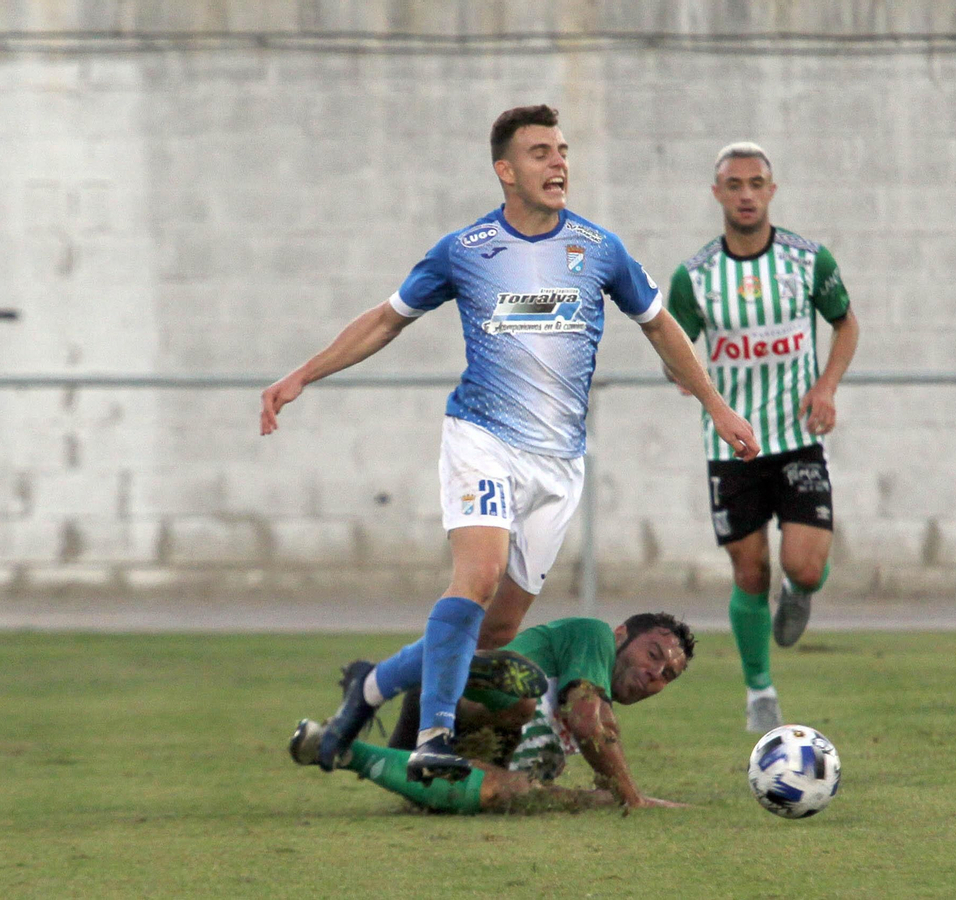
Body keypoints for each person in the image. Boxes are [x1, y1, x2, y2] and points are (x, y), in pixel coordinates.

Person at [260, 105, 757, 783]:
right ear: (506, 171)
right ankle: (433, 734)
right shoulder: (464, 252)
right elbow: (386, 320)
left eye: (562, 151)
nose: (558, 164)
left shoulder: (598, 248)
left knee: (492, 634)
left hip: (559, 465)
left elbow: (661, 327)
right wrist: (300, 375)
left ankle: (369, 689)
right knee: (478, 574)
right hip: (483, 438)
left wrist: (717, 404)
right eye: (539, 153)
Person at [665, 142, 859, 732]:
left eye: (756, 183)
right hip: (732, 445)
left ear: (771, 191)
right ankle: (759, 693)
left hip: (797, 439)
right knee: (750, 574)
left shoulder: (808, 261)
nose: (745, 194)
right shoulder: (694, 277)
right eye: (734, 184)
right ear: (717, 193)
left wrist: (825, 387)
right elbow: (673, 346)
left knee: (803, 566)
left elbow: (845, 323)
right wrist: (687, 379)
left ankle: (800, 594)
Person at [288, 613, 694, 812]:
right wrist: (633, 800)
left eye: (668, 675)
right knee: (523, 703)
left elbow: (598, 726)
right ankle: (470, 678)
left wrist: (617, 798)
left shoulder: (604, 706)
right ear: (622, 633)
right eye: (653, 654)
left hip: (442, 749)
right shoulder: (595, 635)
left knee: (522, 794)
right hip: (463, 712)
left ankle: (336, 748)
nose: (654, 673)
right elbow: (588, 721)